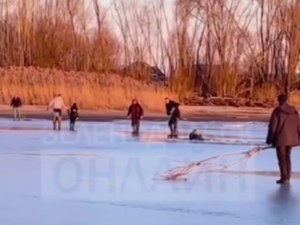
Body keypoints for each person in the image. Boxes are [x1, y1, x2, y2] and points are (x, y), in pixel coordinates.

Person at [266, 94, 300, 184]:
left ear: (279, 100)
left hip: (281, 139)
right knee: (287, 156)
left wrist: (269, 140)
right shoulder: (294, 111)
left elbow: (273, 127)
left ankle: (284, 177)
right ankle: (287, 176)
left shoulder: (277, 111)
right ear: (286, 100)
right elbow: (298, 126)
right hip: (292, 138)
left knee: (282, 159)